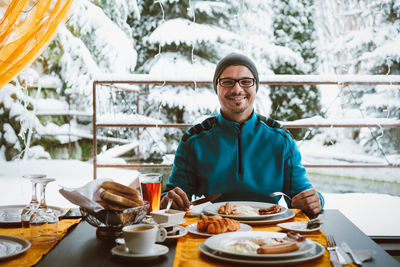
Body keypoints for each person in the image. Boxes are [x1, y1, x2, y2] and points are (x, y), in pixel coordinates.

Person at [160, 52, 323, 216]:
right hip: (210, 231)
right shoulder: (194, 140)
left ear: (256, 87)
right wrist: (169, 200)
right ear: (216, 87)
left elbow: (301, 194)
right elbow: (172, 197)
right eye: (227, 82)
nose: (237, 89)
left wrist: (315, 201)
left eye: (246, 82)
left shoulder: (280, 139)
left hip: (269, 233)